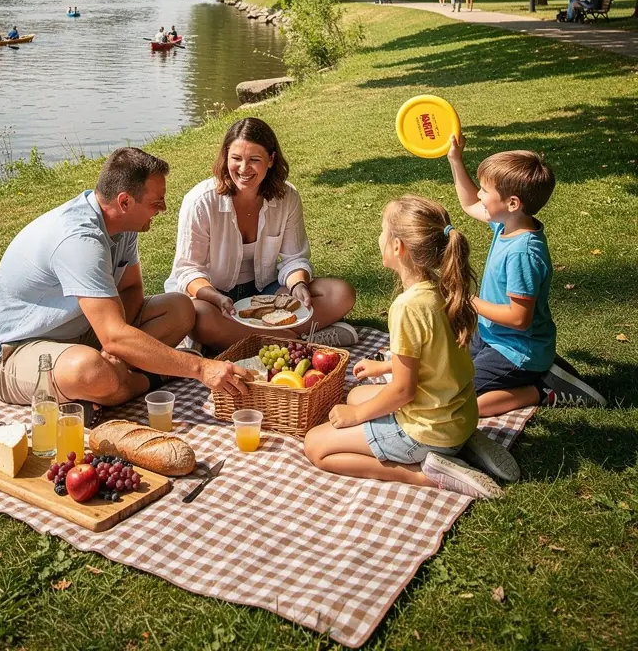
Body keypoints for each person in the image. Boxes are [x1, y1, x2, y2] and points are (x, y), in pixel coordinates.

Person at [0, 147, 250, 411]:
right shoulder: (79, 240)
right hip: (13, 353)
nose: (163, 208)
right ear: (125, 201)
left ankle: (114, 380)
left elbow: (131, 289)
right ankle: (147, 379)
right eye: (156, 202)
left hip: (79, 332)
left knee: (180, 308)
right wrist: (200, 369)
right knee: (91, 371)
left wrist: (116, 348)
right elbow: (113, 334)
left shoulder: (123, 225)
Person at [303, 196, 502, 500]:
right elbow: (437, 356)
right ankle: (461, 444)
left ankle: (427, 474)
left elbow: (402, 392)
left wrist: (356, 416)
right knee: (356, 394)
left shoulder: (408, 307)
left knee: (315, 445)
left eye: (383, 231)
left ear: (398, 247)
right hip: (457, 414)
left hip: (426, 430)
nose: (379, 237)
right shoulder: (444, 287)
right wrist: (386, 366)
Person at [165, 117, 358, 350]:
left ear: (271, 160)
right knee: (198, 316)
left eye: (254, 160)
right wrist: (216, 297)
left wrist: (298, 286)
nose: (243, 169)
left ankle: (251, 339)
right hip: (214, 297)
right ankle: (300, 340)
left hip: (265, 293)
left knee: (340, 294)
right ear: (226, 157)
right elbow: (188, 270)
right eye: (236, 158)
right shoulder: (200, 201)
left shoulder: (287, 197)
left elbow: (294, 258)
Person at [447, 137, 606, 414]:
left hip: (517, 351)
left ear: (512, 203)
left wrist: (469, 301)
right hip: (492, 336)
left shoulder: (523, 253)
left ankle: (544, 390)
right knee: (447, 378)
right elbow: (470, 203)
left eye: (485, 190)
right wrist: (455, 160)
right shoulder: (508, 225)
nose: (480, 195)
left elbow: (519, 319)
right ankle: (547, 371)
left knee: (461, 404)